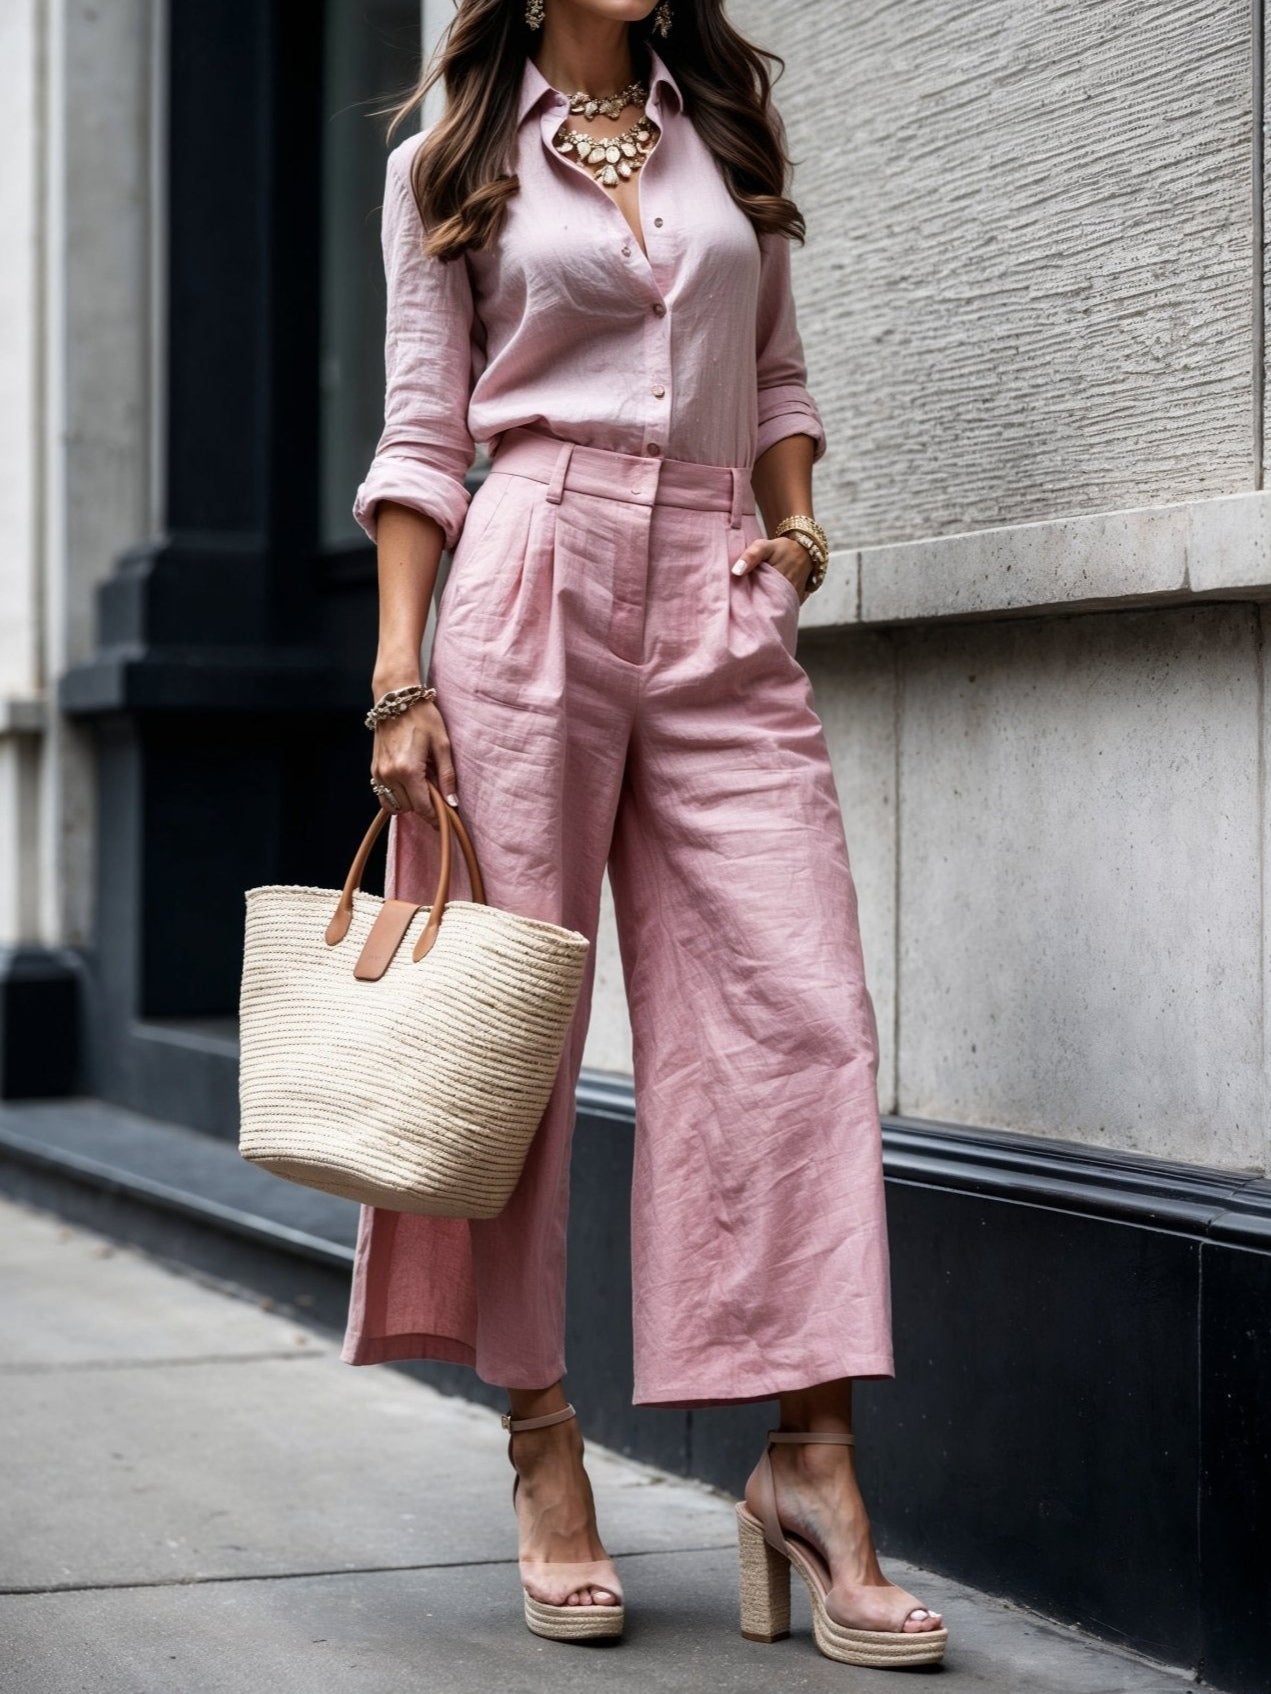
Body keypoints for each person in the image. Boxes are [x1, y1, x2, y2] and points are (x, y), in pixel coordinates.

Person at [341, 0, 946, 1667]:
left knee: (797, 1008)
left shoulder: (724, 129)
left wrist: (798, 529)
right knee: (508, 1030)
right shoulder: (447, 159)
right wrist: (400, 681)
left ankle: (810, 1465)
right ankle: (544, 1446)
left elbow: (777, 374)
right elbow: (417, 429)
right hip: (528, 563)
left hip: (716, 588)